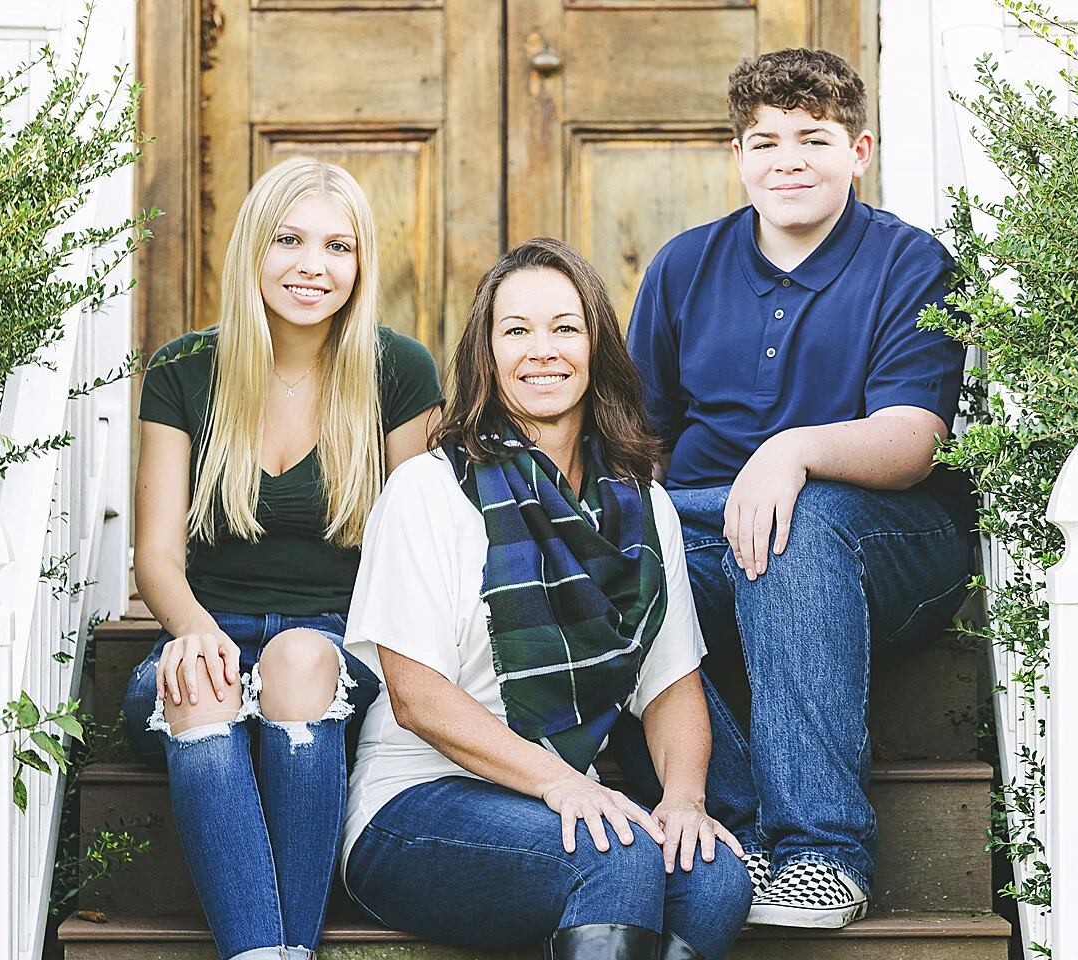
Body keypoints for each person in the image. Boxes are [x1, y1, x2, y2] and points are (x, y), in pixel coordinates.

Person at [624, 48, 975, 930]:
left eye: (813, 139)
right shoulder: (683, 266)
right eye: (765, 142)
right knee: (604, 554)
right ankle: (735, 828)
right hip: (706, 526)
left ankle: (822, 852)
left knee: (795, 524)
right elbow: (637, 439)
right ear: (737, 156)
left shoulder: (909, 263)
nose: (788, 161)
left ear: (858, 151)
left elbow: (913, 441)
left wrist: (793, 451)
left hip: (883, 539)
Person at [339, 238, 753, 960]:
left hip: (560, 802)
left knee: (714, 878)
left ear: (597, 348)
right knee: (615, 857)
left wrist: (684, 799)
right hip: (414, 805)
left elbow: (671, 685)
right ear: (486, 354)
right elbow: (416, 697)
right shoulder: (429, 490)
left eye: (565, 328)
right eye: (516, 330)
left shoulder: (643, 506)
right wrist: (563, 785)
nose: (543, 351)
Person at [121, 156, 443, 960]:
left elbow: (415, 553)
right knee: (205, 682)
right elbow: (155, 554)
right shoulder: (184, 369)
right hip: (207, 631)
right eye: (289, 240)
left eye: (338, 246)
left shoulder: (399, 370)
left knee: (298, 658)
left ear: (360, 263)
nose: (312, 266)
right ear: (253, 248)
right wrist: (195, 633)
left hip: (337, 645)